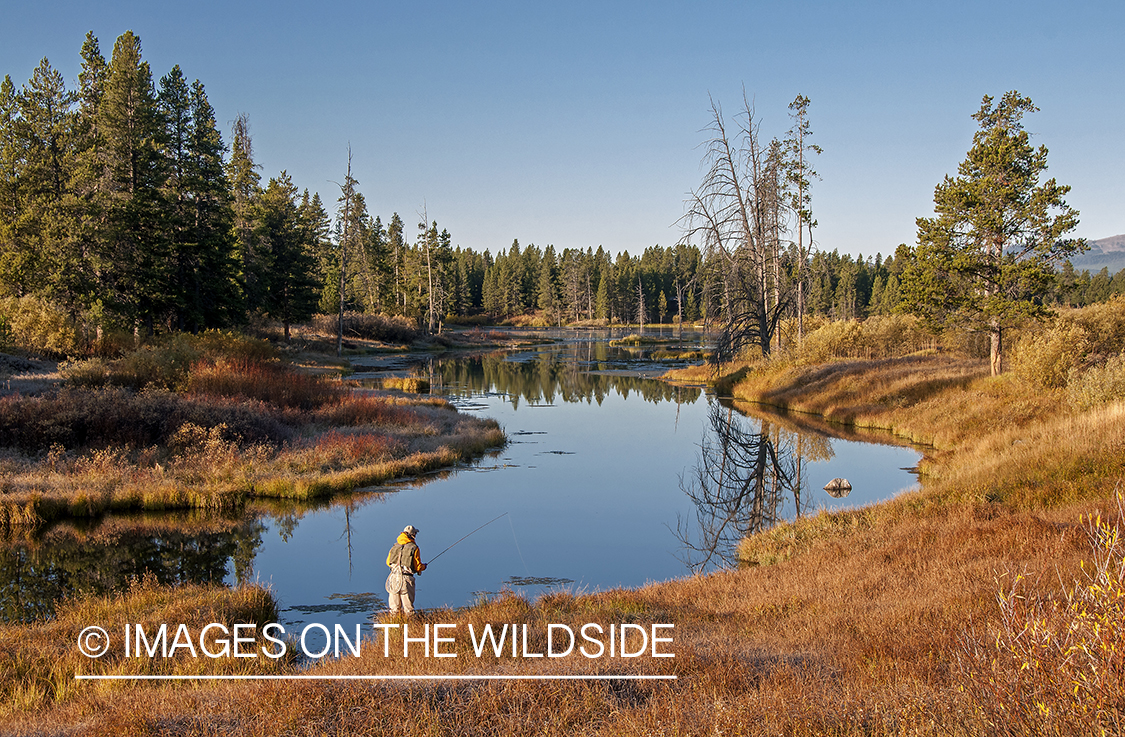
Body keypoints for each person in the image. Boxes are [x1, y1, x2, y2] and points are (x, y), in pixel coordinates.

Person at [386, 524, 427, 615]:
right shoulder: (414, 548)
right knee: (408, 609)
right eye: (415, 534)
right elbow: (418, 567)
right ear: (413, 535)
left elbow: (388, 562)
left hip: (393, 577)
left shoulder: (395, 546)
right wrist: (424, 566)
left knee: (394, 609)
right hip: (406, 579)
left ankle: (394, 625)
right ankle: (410, 626)